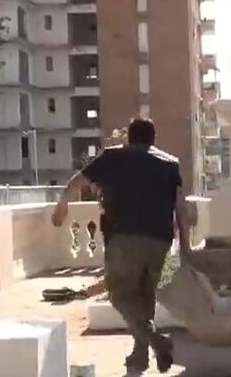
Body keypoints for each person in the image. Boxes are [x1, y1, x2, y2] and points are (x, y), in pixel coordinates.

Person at [51, 117, 191, 374]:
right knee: (144, 298)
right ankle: (139, 358)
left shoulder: (113, 157)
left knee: (119, 296)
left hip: (124, 237)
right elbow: (180, 207)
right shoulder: (171, 164)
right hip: (160, 240)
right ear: (153, 138)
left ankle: (156, 341)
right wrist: (186, 247)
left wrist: (62, 206)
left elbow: (76, 183)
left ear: (129, 137)